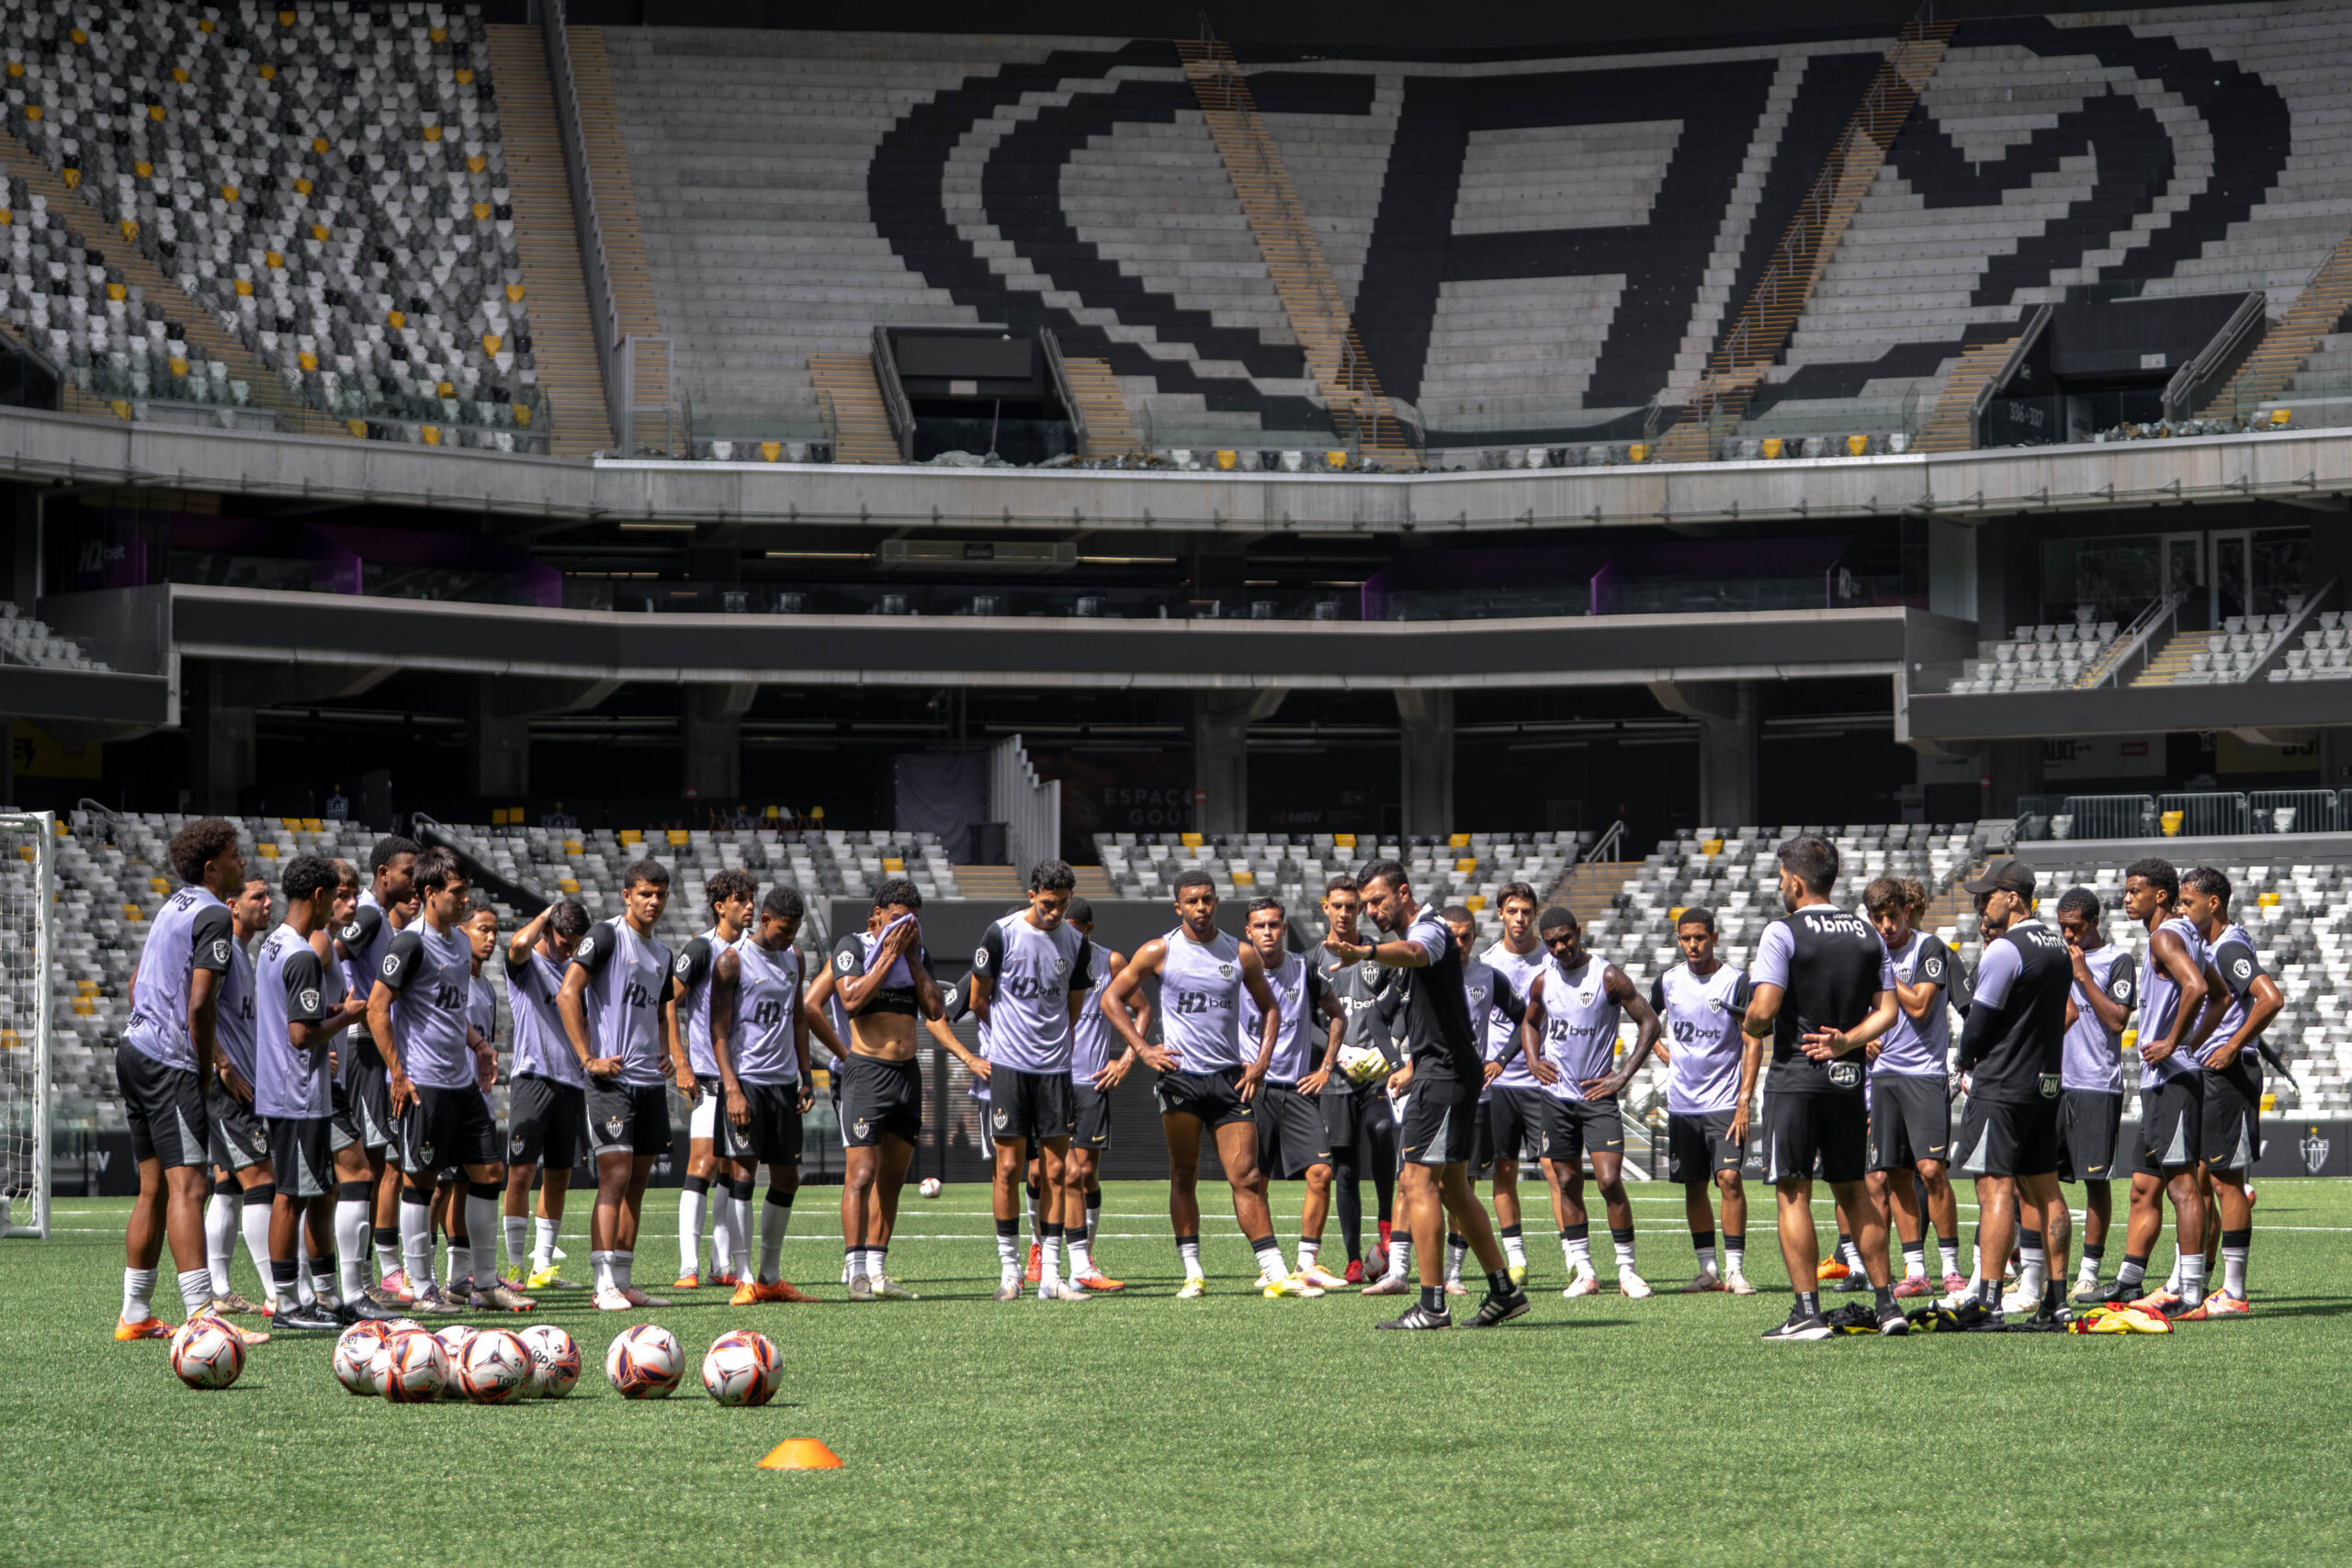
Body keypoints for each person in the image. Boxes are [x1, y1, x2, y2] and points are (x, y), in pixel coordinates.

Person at [1324, 860, 1525, 1330]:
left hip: (1445, 1076)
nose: (1371, 910)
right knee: (1453, 1187)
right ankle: (1503, 1291)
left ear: (1403, 893)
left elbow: (1416, 951)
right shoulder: (1412, 935)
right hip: (1443, 1071)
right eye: (1366, 904)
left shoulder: (1431, 930)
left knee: (1418, 1184)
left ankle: (1432, 1305)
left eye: (1377, 901)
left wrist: (1368, 951)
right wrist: (1405, 1064)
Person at [1100, 869, 1317, 1299]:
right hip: (1180, 1079)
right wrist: (1143, 1050)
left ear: (1217, 903)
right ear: (1178, 906)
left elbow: (1271, 1009)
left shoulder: (1241, 953)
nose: (1201, 907)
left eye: (1208, 900)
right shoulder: (1160, 950)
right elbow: (1111, 998)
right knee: (1184, 1174)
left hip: (1228, 1080)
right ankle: (1193, 1273)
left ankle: (1275, 1276)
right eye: (1192, 901)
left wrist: (1261, 1062)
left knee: (1248, 1176)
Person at [1736, 834, 1905, 1341]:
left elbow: (1764, 1011)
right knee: (1855, 1191)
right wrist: (1845, 1041)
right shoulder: (1866, 933)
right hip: (1848, 1077)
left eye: (1780, 876)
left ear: (1794, 879)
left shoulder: (1781, 932)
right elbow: (1890, 1013)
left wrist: (1749, 1024)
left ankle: (1806, 1312)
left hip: (1795, 1076)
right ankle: (1886, 1304)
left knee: (1794, 1190)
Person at [369, 849, 529, 1314]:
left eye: (464, 891)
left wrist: (479, 1044)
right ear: (429, 893)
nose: (463, 900)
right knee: (420, 1181)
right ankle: (422, 1289)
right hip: (424, 1083)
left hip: (462, 1085)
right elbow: (378, 1009)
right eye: (456, 893)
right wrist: (398, 1074)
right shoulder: (409, 943)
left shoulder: (460, 943)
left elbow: (451, 1009)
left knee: (488, 1173)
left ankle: (482, 1284)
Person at [115, 819, 247, 1341]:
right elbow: (200, 1002)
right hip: (169, 1063)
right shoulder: (214, 912)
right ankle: (203, 1318)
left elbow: (135, 983)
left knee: (152, 1190)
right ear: (212, 867)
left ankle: (135, 1315)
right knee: (190, 1186)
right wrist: (206, 1065)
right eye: (236, 856)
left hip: (133, 1050)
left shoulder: (174, 906)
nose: (244, 863)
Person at [252, 853, 379, 1331]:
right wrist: (346, 1017)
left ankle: (318, 1295)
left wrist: (328, 1008)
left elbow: (294, 1013)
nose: (338, 911)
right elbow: (302, 1036)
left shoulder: (273, 945)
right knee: (292, 1196)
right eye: (337, 898)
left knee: (313, 1191)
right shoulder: (303, 953)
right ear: (319, 897)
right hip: (296, 1091)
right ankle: (287, 1304)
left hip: (285, 1088)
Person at [557, 857, 686, 1312]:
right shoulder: (606, 935)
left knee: (637, 1182)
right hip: (611, 1080)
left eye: (660, 894)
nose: (653, 902)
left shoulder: (663, 954)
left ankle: (626, 1281)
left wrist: (669, 1054)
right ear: (627, 895)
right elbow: (567, 992)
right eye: (645, 894)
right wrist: (587, 1057)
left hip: (649, 1083)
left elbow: (661, 1008)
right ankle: (602, 1283)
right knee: (613, 1177)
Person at [1949, 861, 2075, 1325]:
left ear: (2014, 899)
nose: (1983, 904)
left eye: (1989, 896)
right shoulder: (2059, 946)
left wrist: (1964, 1060)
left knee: (1995, 1189)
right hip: (2045, 1085)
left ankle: (1988, 1301)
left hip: (2002, 1085)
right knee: (2047, 1190)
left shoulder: (2005, 949)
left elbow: (1978, 1024)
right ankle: (2056, 1301)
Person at [968, 860, 1099, 1302]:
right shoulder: (1001, 933)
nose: (1056, 912)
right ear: (1032, 895)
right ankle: (1009, 1273)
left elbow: (1074, 1007)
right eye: (1048, 903)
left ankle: (1052, 1277)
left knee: (1058, 1170)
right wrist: (1008, 1037)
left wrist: (1050, 1042)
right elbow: (977, 999)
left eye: (1062, 904)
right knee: (1007, 1168)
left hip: (1055, 1071)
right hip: (1008, 1068)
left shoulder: (1076, 942)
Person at [1521, 907, 1661, 1300]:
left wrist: (1622, 1075)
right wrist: (1533, 1059)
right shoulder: (1543, 981)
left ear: (1578, 932)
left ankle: (1628, 1272)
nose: (1560, 947)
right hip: (1556, 1098)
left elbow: (1650, 1023)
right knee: (1566, 1182)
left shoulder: (1607, 976)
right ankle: (1584, 1272)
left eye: (1566, 938)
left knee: (1609, 1180)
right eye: (1551, 942)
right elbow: (1529, 1022)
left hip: (1597, 1096)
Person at [815, 878, 944, 1302]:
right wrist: (889, 956)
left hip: (907, 1075)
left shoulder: (917, 953)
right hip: (867, 1074)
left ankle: (877, 1271)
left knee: (892, 1178)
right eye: (896, 918)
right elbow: (849, 1001)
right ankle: (854, 1273)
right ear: (877, 915)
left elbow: (936, 1009)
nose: (905, 927)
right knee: (862, 1175)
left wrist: (912, 957)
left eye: (912, 921)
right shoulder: (853, 945)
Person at [2091, 857, 2210, 1316]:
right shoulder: (2176, 936)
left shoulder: (2165, 936)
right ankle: (2128, 1281)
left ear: (2160, 895)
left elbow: (2198, 986)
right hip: (2161, 1081)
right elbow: (2214, 992)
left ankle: (2193, 1290)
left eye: (2134, 891)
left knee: (2182, 1188)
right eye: (2126, 891)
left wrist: (2174, 1042)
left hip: (2174, 1078)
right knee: (2143, 1185)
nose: (2126, 898)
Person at [712, 884, 831, 1305]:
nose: (790, 938)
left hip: (784, 1084)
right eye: (783, 930)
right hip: (746, 1084)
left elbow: (798, 1017)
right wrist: (732, 1089)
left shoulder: (794, 957)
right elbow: (719, 1031)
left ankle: (770, 1277)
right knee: (743, 1174)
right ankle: (743, 1278)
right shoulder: (731, 962)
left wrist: (805, 1074)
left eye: (795, 930)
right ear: (764, 920)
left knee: (787, 1178)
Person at [2177, 866, 2281, 1318]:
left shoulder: (2230, 946)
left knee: (2225, 1181)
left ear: (2212, 903)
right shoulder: (2211, 946)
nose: (2181, 910)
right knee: (2203, 1180)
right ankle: (2198, 1281)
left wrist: (2232, 1045)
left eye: (2187, 902)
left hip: (2230, 1074)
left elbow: (2270, 998)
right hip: (2211, 1073)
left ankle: (2234, 1293)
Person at [1860, 877, 1964, 1300]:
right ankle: (1916, 1270)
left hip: (1923, 1074)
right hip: (1883, 1077)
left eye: (1892, 916)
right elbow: (1858, 1004)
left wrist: (1883, 970)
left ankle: (1953, 1269)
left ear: (1907, 911)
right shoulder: (1869, 952)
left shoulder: (1929, 948)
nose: (1886, 926)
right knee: (1895, 1174)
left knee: (1931, 1171)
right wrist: (1861, 1032)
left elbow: (1920, 1007)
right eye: (1877, 919)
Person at [1239, 897, 1349, 1292]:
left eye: (1274, 925)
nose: (1268, 932)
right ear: (1248, 932)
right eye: (1260, 926)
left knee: (1321, 1173)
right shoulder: (1235, 971)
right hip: (1254, 1089)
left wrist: (1325, 1067)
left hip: (1299, 1087)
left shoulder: (1304, 969)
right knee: (1256, 1180)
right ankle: (1269, 1267)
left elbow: (1338, 1015)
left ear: (1285, 929)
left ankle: (1307, 1263)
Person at [1650, 908, 1756, 1294]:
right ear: (1678, 940)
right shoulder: (1669, 981)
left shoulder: (1734, 981)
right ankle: (1708, 1270)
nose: (1692, 945)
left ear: (1714, 936)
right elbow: (1647, 1020)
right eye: (1685, 939)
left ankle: (1735, 1270)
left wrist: (1744, 1099)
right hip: (1682, 1104)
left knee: (1729, 1179)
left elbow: (1752, 1040)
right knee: (1693, 1186)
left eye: (1700, 937)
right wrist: (1664, 1054)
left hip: (1725, 1101)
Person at [334, 834, 418, 1304]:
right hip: (362, 1046)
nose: (414, 881)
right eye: (408, 872)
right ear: (384, 873)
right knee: (367, 1163)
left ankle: (367, 1275)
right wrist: (342, 1006)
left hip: (368, 1046)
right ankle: (361, 1280)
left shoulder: (377, 917)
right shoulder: (367, 914)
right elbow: (333, 954)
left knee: (376, 1162)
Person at [1314, 874, 1402, 1286]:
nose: (1346, 913)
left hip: (1376, 1072)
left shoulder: (1377, 953)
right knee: (1344, 1167)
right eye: (1339, 905)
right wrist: (1337, 1053)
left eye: (1353, 905)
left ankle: (1387, 1225)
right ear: (1325, 907)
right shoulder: (1311, 960)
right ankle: (1352, 1258)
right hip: (1335, 1076)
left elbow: (1399, 1007)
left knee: (1383, 1131)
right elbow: (1305, 1021)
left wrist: (1385, 1050)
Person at [672, 867, 757, 1290]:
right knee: (702, 1164)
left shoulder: (753, 951)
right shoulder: (702, 949)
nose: (750, 907)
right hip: (708, 1074)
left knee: (730, 1169)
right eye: (741, 900)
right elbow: (668, 1001)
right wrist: (680, 1061)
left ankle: (720, 1265)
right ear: (720, 906)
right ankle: (688, 1265)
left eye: (751, 899)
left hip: (745, 1079)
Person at [500, 900, 591, 1291]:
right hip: (532, 1077)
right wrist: (545, 913)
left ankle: (543, 1266)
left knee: (558, 1176)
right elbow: (518, 945)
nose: (569, 951)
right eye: (565, 942)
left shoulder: (574, 972)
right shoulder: (528, 967)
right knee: (520, 1172)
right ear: (550, 930)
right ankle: (516, 1267)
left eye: (575, 945)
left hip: (571, 1081)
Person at [2053, 886, 2134, 1303]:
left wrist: (2083, 976)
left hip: (2096, 1084)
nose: (2068, 936)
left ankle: (2088, 1272)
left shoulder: (2116, 960)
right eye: (2063, 928)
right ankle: (2039, 1269)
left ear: (2094, 922)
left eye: (2075, 928)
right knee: (2036, 1176)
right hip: (2054, 1083)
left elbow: (2117, 1022)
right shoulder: (2055, 957)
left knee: (2094, 1180)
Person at [201, 874, 276, 1325]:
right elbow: (195, 1003)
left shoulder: (243, 953)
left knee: (228, 1184)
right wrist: (221, 1061)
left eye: (269, 896)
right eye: (258, 897)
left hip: (245, 1082)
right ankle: (278, 1293)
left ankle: (220, 1291)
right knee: (262, 1178)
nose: (268, 903)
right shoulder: (224, 947)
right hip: (227, 1085)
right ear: (233, 905)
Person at [1476, 884, 1548, 1289]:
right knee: (1503, 1171)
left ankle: (1577, 1261)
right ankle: (1516, 1259)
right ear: (1500, 914)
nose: (1520, 918)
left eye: (1526, 911)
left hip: (1544, 1080)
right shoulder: (1487, 963)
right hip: (1498, 1083)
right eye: (1512, 911)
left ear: (1535, 914)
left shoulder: (1552, 957)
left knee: (1559, 1171)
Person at [1064, 897, 1136, 1291]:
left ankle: (1084, 1259)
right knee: (1048, 1171)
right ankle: (1041, 1252)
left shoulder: (1110, 962)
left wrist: (1124, 1060)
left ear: (1089, 929)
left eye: (1075, 928)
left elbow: (1142, 1008)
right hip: (1052, 1079)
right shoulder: (1048, 957)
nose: (1068, 935)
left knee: (1086, 1172)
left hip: (1090, 1082)